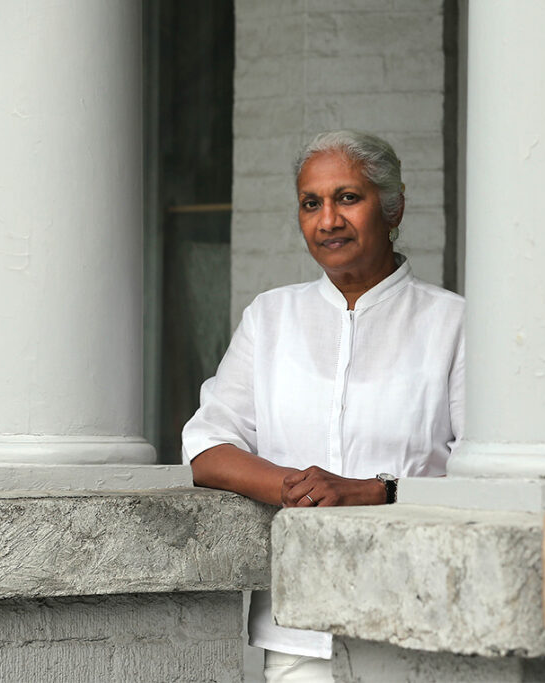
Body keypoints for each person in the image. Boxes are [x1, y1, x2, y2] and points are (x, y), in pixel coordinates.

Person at [182, 130, 465, 683]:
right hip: (299, 629)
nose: (328, 219)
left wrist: (374, 491)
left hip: (419, 617)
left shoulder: (452, 324)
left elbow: (484, 475)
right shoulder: (271, 318)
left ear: (393, 207)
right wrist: (293, 486)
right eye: (311, 203)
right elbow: (208, 447)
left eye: (348, 198)